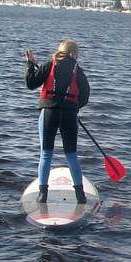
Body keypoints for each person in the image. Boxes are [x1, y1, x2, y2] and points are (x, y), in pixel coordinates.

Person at [24, 39, 90, 204]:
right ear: (74, 53)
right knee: (72, 155)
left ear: (61, 51)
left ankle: (42, 195)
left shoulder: (49, 65)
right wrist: (74, 107)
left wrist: (30, 64)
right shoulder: (78, 70)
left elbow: (31, 84)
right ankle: (80, 196)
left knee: (46, 154)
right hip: (68, 115)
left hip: (49, 112)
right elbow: (85, 96)